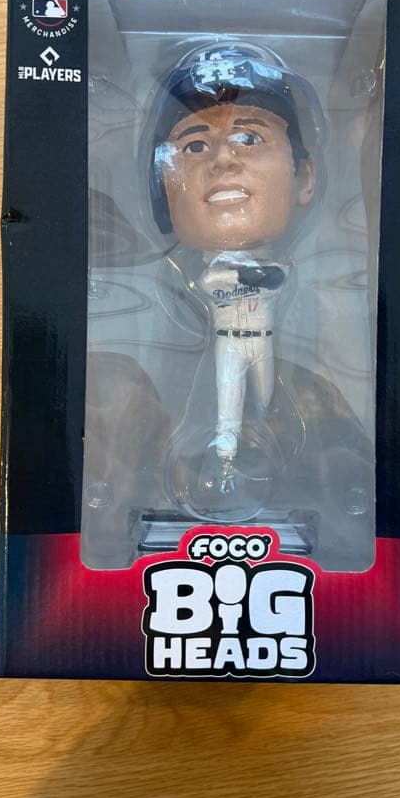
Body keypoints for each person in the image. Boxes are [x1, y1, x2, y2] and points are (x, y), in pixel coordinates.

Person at [148, 44, 321, 486]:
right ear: (164, 186)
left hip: (263, 339)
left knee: (267, 399)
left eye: (249, 139)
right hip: (227, 342)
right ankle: (225, 455)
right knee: (227, 403)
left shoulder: (308, 293)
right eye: (195, 145)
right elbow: (221, 283)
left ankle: (264, 442)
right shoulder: (202, 280)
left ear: (304, 177)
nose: (223, 159)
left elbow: (273, 281)